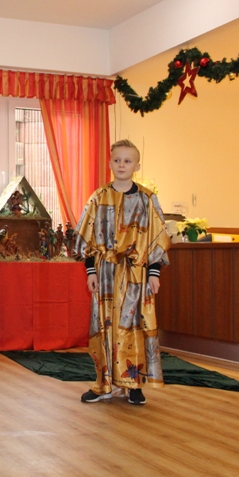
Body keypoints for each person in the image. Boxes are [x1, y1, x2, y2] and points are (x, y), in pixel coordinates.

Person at [74, 139, 171, 406]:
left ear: (136, 166)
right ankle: (103, 383)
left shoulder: (147, 199)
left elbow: (157, 239)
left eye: (127, 161)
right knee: (103, 326)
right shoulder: (98, 197)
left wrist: (154, 273)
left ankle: (133, 383)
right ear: (110, 163)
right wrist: (91, 271)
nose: (122, 165)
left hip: (136, 275)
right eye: (117, 160)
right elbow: (87, 237)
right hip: (105, 273)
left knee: (134, 326)